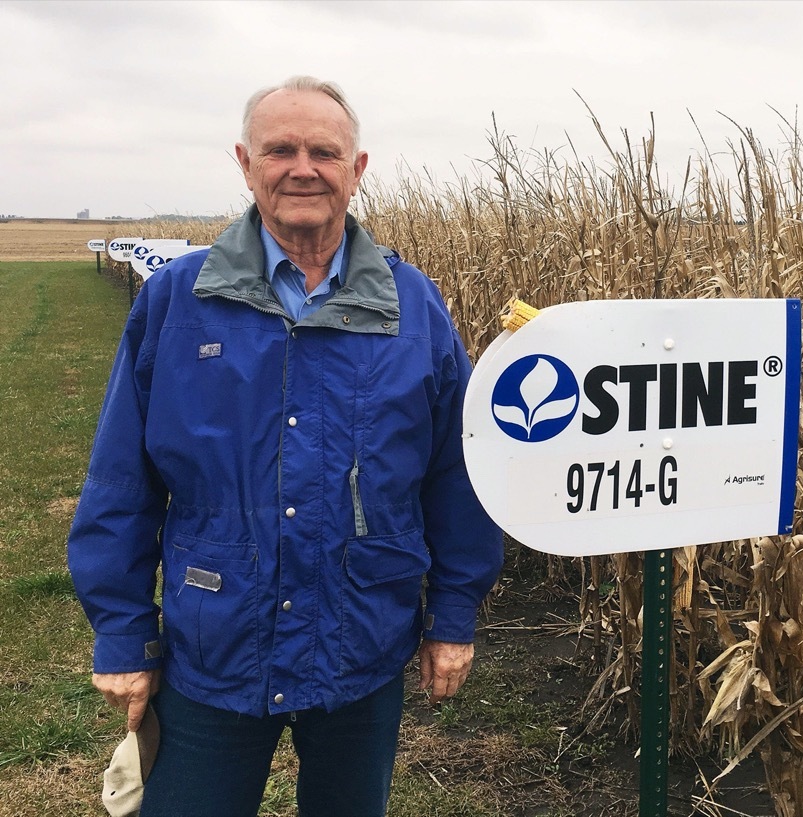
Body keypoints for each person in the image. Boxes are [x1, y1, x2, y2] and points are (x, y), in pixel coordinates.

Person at [67, 76, 504, 817]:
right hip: (216, 644)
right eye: (280, 149)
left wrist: (453, 614)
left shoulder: (413, 307)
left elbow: (455, 474)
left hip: (360, 641)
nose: (303, 167)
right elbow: (122, 479)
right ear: (246, 163)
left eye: (324, 151)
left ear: (356, 169)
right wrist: (123, 632)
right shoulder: (179, 300)